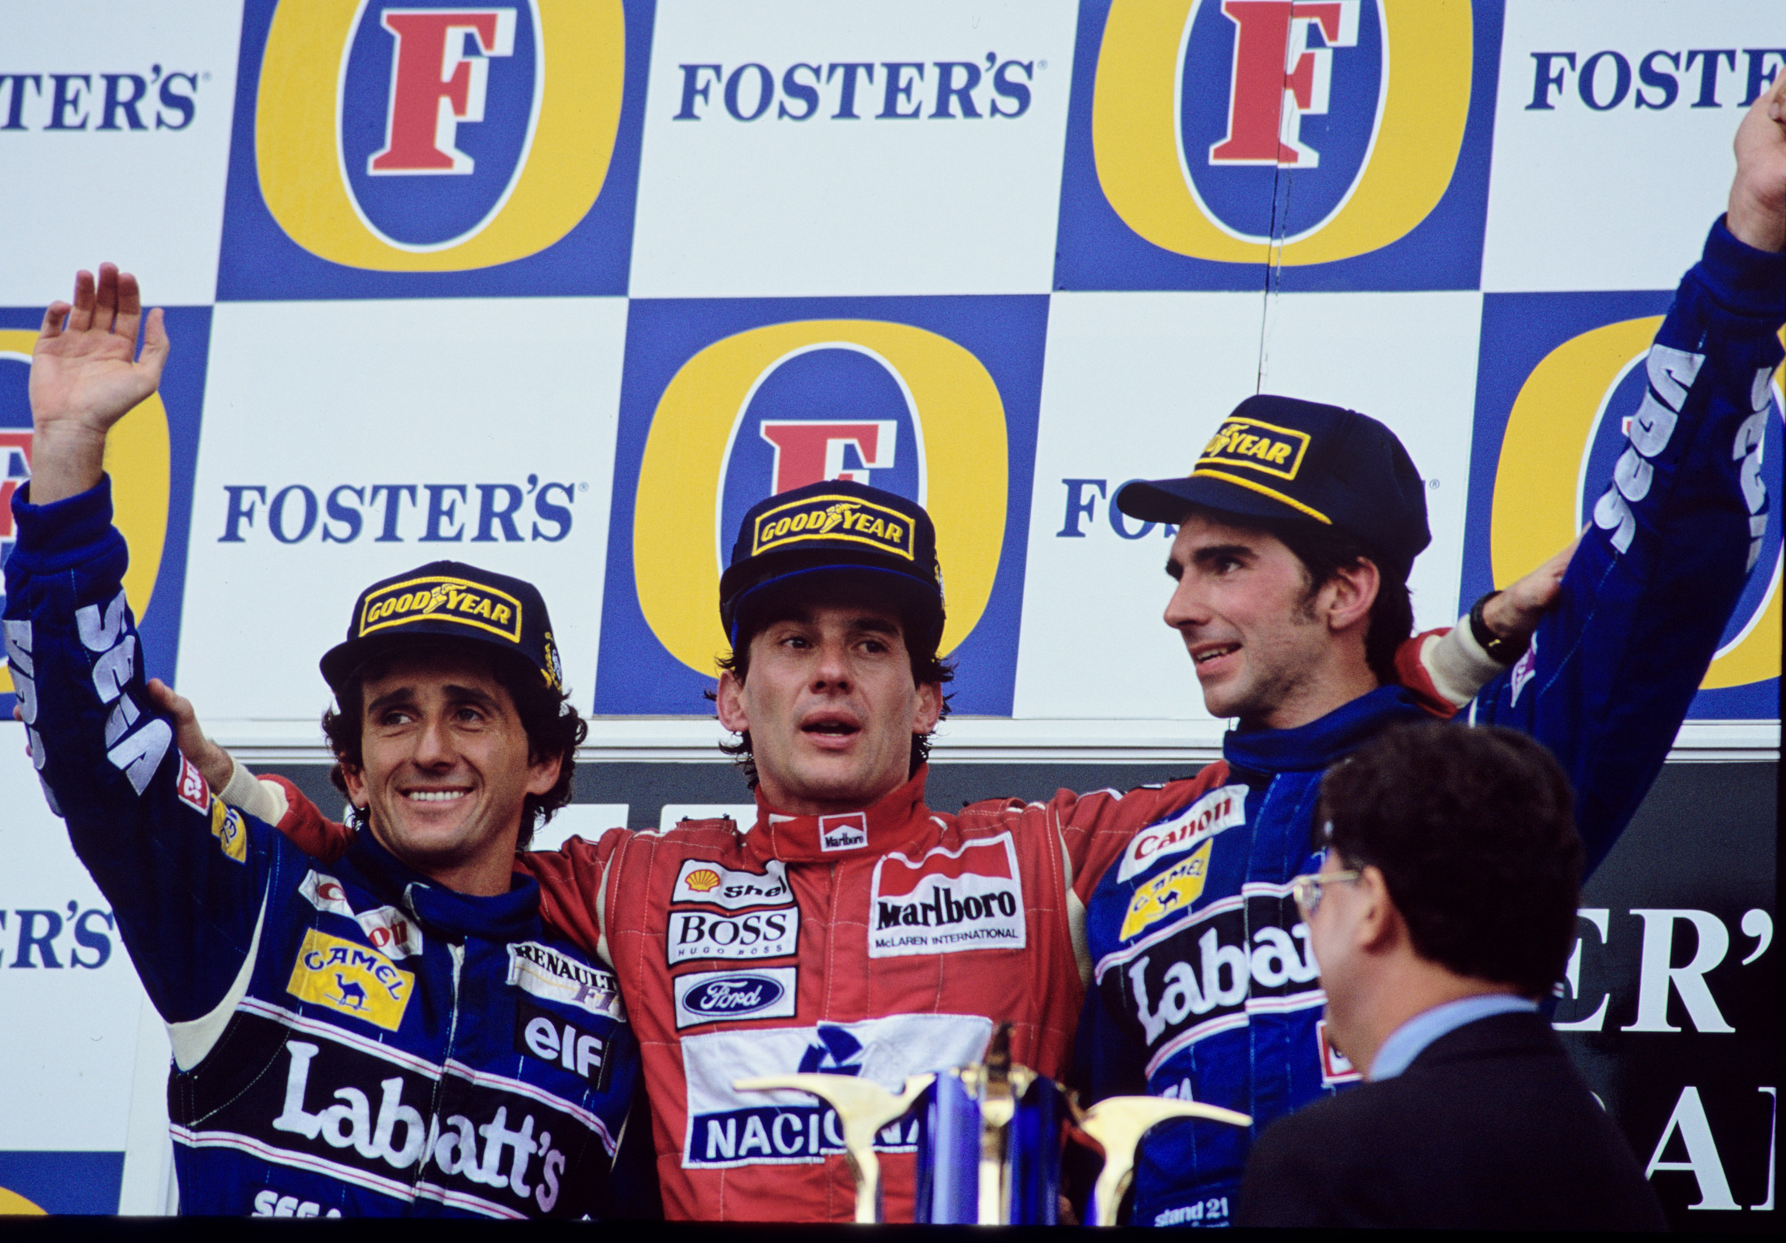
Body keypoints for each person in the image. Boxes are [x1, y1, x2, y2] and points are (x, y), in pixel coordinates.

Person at [214, 475, 1553, 1221]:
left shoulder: (1047, 856)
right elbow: (418, 839)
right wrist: (234, 789)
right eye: (792, 641)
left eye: (871, 642)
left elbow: (1288, 761)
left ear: (930, 698)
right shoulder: (632, 879)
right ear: (731, 696)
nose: (831, 672)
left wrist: (1471, 644)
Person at [1072, 64, 1786, 1226]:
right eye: (1178, 570)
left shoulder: (1478, 780)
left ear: (1348, 587)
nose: (1180, 606)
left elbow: (1663, 563)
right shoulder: (1136, 860)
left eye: (1225, 564)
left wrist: (1751, 242)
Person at [3, 265, 639, 1218]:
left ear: (543, 760)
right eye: (394, 716)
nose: (429, 748)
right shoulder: (255, 905)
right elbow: (95, 749)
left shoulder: (607, 1009)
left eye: (470, 713)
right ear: (353, 767)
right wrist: (67, 458)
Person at [1235, 722, 1666, 1229]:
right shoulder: (1603, 1159)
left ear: (1372, 906)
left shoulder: (1326, 1164)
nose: (1309, 923)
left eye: (1317, 894)